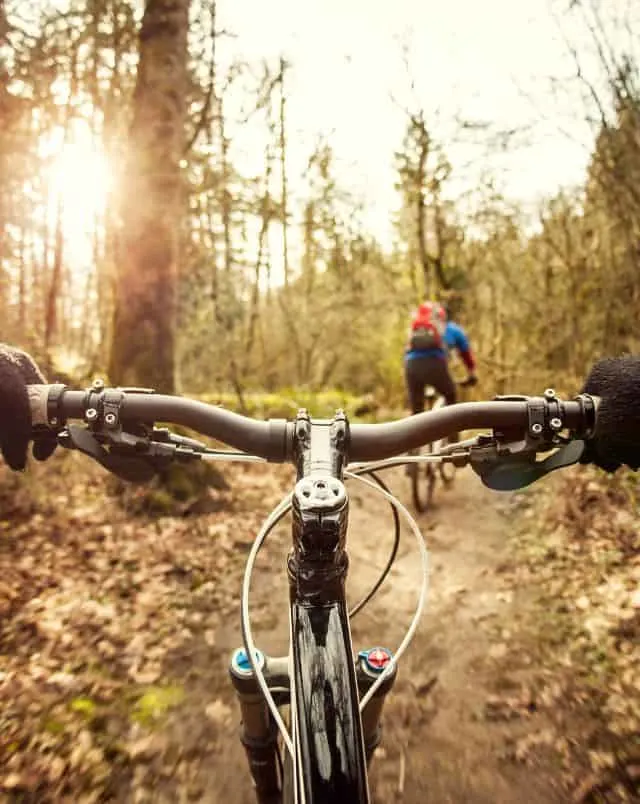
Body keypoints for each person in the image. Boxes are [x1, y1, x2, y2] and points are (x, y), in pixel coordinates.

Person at [0, 342, 638, 474]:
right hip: (437, 376)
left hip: (411, 375)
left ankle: (425, 451)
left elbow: (408, 368)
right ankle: (429, 459)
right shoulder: (446, 336)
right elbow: (463, 364)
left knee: (425, 400)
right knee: (449, 407)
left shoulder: (414, 340)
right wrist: (468, 382)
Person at [404, 300, 478, 415]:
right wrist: (471, 373)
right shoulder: (451, 329)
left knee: (417, 408)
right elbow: (465, 352)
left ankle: (416, 432)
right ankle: (451, 431)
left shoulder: (416, 327)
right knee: (450, 395)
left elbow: (408, 349)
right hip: (435, 364)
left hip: (411, 365)